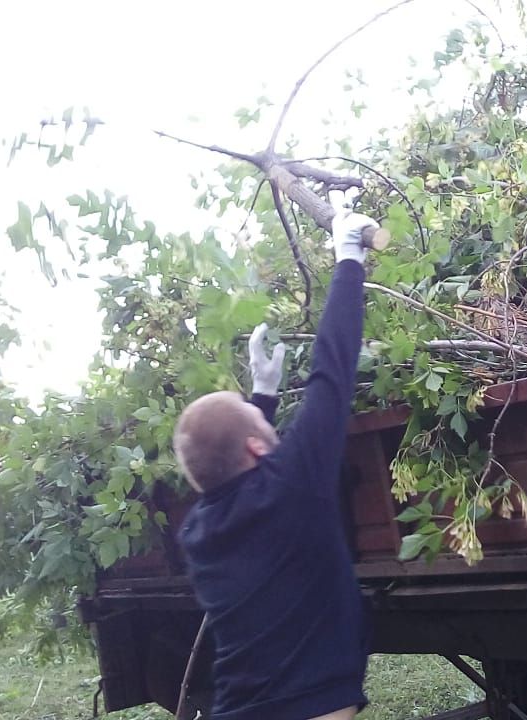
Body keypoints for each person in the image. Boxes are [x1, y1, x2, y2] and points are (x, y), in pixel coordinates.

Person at [174, 210, 377, 720]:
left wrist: (261, 397)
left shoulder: (198, 533)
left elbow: (232, 470)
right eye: (258, 421)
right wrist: (348, 258)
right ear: (258, 450)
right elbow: (331, 371)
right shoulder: (293, 486)